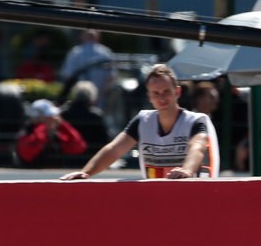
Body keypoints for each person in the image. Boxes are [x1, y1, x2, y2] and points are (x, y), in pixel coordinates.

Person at [61, 63, 217, 180]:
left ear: (177, 92)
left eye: (166, 92)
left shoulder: (196, 121)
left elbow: (197, 148)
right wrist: (86, 173)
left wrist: (187, 170)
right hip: (156, 197)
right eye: (156, 93)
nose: (161, 98)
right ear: (149, 96)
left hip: (192, 195)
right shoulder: (143, 121)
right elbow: (115, 149)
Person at [15, 98, 87, 168]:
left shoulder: (55, 134)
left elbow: (79, 147)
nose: (52, 119)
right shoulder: (26, 131)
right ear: (35, 118)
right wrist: (44, 127)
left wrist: (63, 125)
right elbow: (27, 155)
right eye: (48, 117)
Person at [59, 81, 110, 156]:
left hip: (67, 156)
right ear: (91, 96)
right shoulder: (96, 115)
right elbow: (104, 140)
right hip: (90, 157)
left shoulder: (63, 113)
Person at [59, 28, 113, 98]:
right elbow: (111, 77)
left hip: (83, 96)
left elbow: (68, 76)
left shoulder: (75, 52)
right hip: (96, 97)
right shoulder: (105, 53)